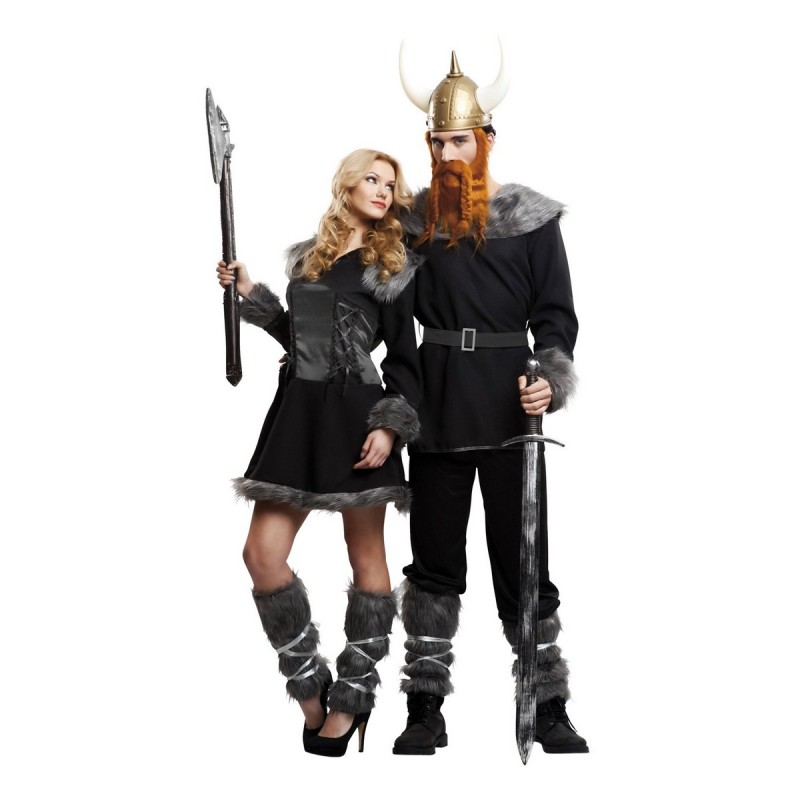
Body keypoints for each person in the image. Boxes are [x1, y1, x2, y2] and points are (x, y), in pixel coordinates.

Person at [391, 50, 589, 755]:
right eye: (438, 143)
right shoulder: (412, 223)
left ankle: (548, 701)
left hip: (512, 411)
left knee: (524, 561)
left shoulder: (531, 221)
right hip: (438, 407)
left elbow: (555, 317)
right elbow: (388, 317)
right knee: (434, 565)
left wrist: (550, 380)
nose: (447, 155)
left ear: (486, 140)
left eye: (459, 141)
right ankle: (424, 706)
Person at [216, 149, 422, 757]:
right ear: (346, 185)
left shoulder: (392, 264)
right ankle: (309, 686)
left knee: (366, 556)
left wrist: (389, 427)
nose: (383, 191)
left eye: (390, 184)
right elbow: (302, 338)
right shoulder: (310, 256)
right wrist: (250, 293)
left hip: (358, 417)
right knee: (261, 555)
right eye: (372, 179)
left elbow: (405, 359)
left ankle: (354, 695)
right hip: (297, 417)